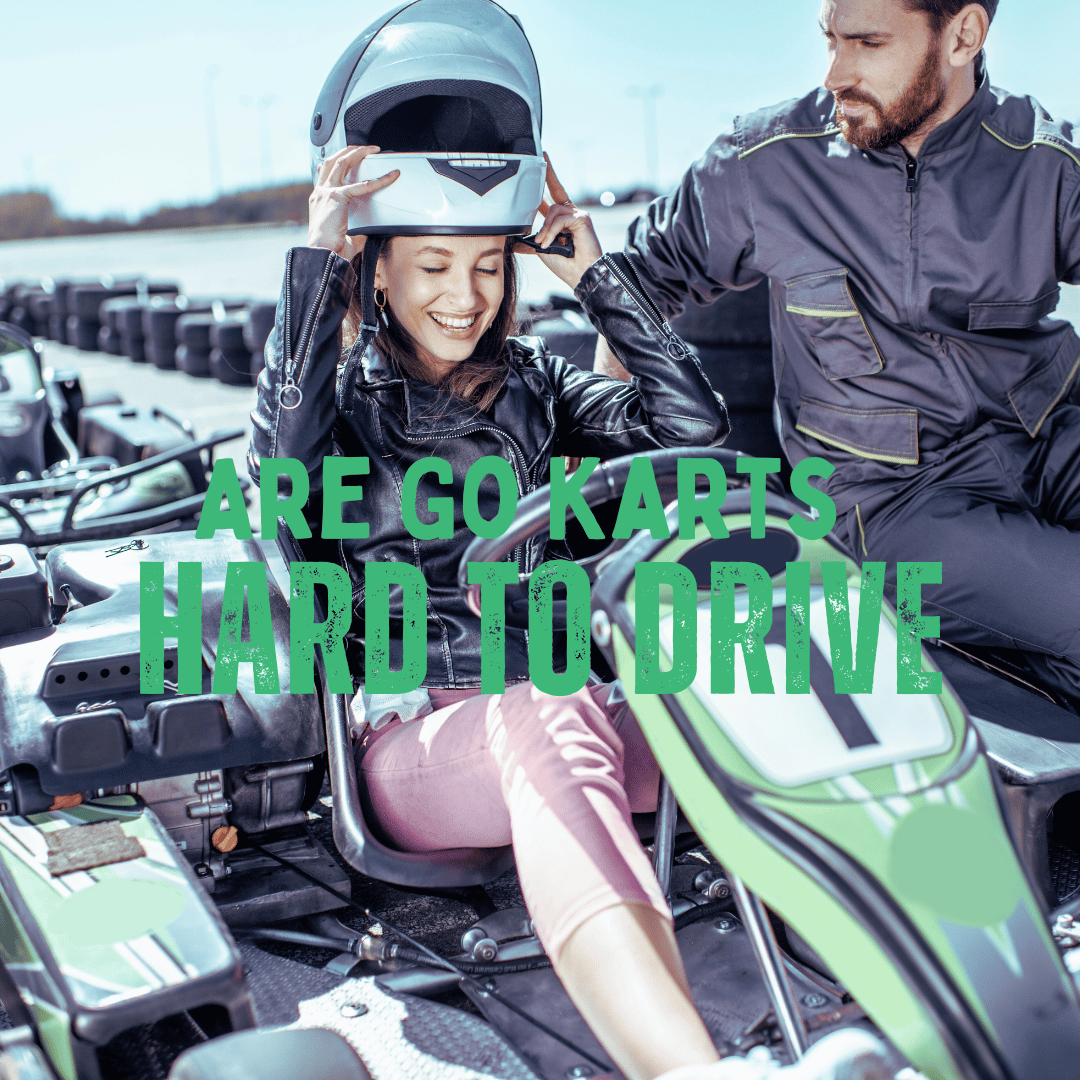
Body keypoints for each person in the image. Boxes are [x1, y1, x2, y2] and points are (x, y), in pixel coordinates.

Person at [597, 0, 1080, 710]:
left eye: (867, 42)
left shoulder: (1045, 163)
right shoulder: (763, 164)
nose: (835, 71)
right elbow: (632, 283)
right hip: (891, 501)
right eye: (829, 39)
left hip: (1048, 445)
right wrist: (600, 451)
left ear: (963, 36)